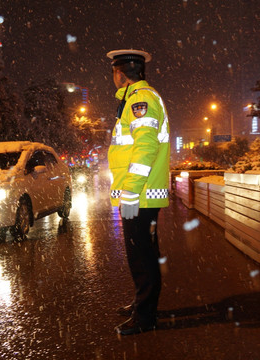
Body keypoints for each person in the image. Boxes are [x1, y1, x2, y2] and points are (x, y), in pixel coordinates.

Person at [106, 49, 170, 335]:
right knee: (143, 251)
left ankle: (145, 318)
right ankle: (142, 304)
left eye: (113, 71)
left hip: (138, 195)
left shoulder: (140, 100)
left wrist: (130, 191)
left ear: (120, 73)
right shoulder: (137, 98)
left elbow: (146, 147)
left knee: (140, 254)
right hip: (142, 194)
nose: (113, 76)